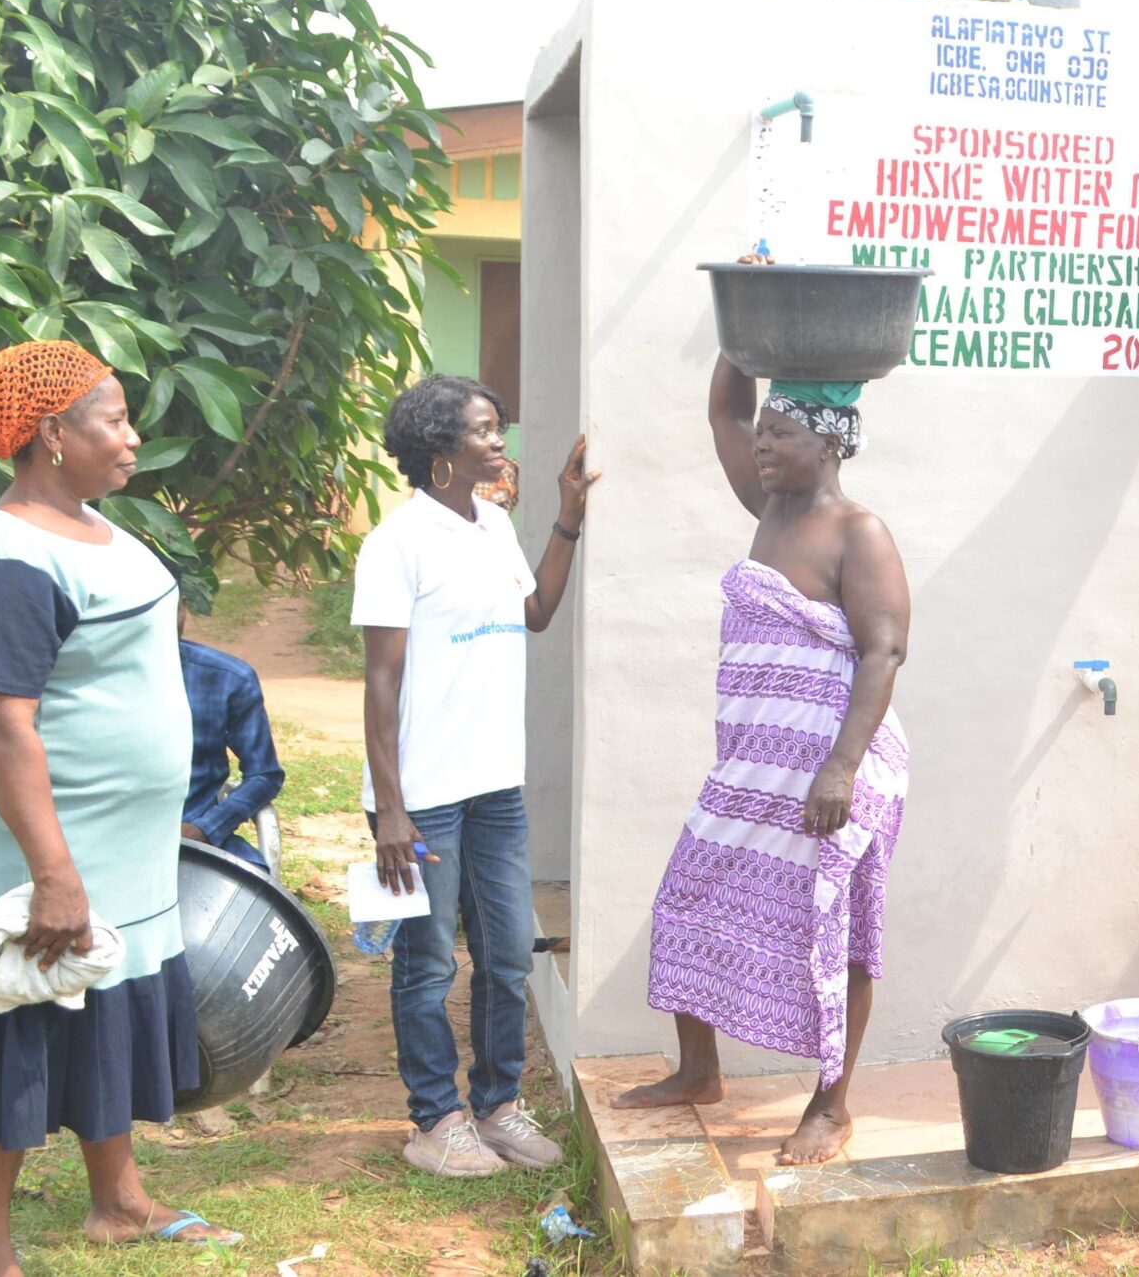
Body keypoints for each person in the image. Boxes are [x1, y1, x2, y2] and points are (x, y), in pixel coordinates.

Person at [0, 341, 240, 1271]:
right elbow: (3, 725)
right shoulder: (10, 561)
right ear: (51, 434)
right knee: (25, 1014)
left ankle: (119, 1201)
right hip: (59, 838)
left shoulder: (91, 524)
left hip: (124, 840)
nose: (133, 436)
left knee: (107, 1000)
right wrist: (53, 873)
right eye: (114, 420)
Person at [615, 326, 909, 1169]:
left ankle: (831, 1105)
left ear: (828, 440)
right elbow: (723, 411)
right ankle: (699, 1071)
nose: (762, 444)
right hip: (751, 767)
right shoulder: (770, 508)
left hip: (836, 768)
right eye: (765, 432)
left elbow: (884, 651)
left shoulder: (859, 530)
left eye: (781, 433)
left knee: (836, 930)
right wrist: (742, 332)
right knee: (688, 895)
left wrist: (840, 768)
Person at [354, 375, 596, 1177]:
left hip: (494, 785)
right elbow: (380, 682)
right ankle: (435, 1118)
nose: (499, 441)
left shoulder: (492, 524)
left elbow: (537, 612)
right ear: (440, 451)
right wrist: (391, 809)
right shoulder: (396, 542)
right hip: (420, 797)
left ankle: (497, 1105)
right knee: (428, 962)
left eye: (498, 427)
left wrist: (566, 517)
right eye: (485, 430)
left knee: (506, 952)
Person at [178, 639, 284, 872]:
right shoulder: (96, 675)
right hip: (110, 842)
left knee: (248, 890)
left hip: (197, 844)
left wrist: (205, 829)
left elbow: (265, 775)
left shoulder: (227, 678)